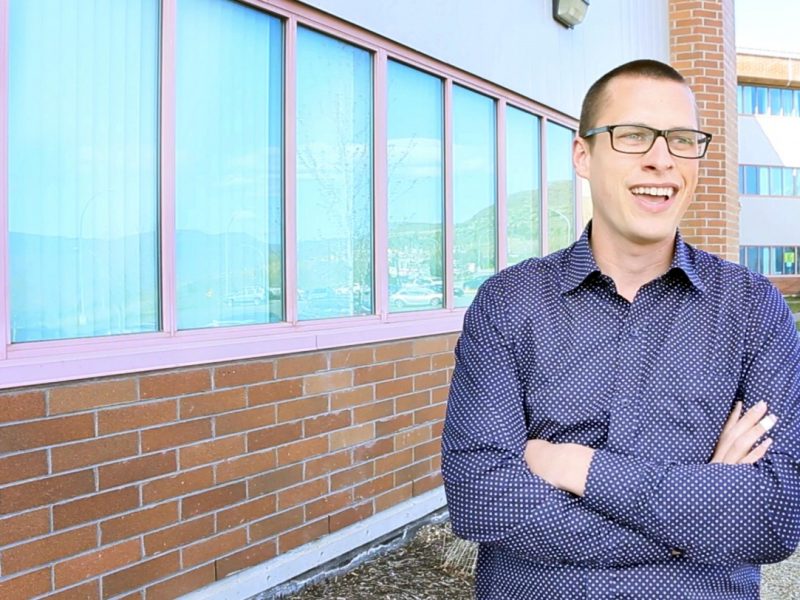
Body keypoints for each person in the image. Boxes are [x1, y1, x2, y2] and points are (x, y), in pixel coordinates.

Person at [441, 59, 800, 599]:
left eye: (682, 140)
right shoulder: (509, 304)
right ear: (583, 155)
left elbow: (774, 513)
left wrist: (574, 465)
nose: (661, 161)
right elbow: (479, 495)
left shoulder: (752, 310)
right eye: (633, 136)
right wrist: (695, 521)